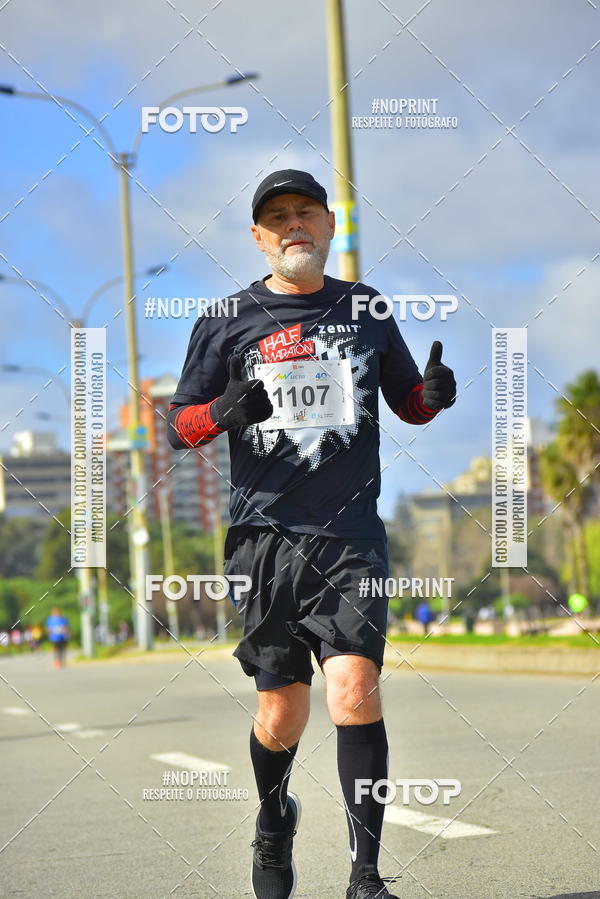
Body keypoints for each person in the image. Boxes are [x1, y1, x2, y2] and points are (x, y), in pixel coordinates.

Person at [167, 169, 456, 899]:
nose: (293, 225)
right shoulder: (225, 319)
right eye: (277, 217)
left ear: (330, 226)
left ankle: (365, 877)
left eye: (306, 213)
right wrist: (221, 411)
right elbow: (179, 426)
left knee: (355, 690)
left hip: (350, 537)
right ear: (258, 238)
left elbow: (406, 402)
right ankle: (273, 820)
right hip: (264, 540)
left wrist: (431, 396)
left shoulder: (366, 307)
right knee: (281, 711)